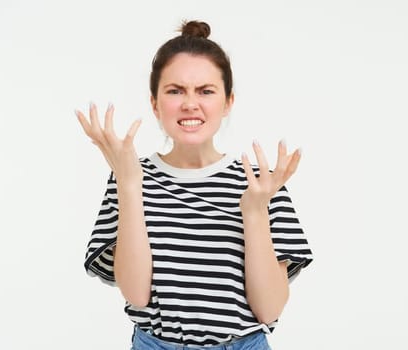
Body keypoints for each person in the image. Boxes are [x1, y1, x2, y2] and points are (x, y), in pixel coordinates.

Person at [76, 20, 314, 349]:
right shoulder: (129, 174)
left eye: (205, 91)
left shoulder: (262, 184)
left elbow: (269, 309)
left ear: (228, 101)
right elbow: (136, 294)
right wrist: (130, 185)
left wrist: (255, 212)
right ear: (155, 103)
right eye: (175, 91)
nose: (190, 103)